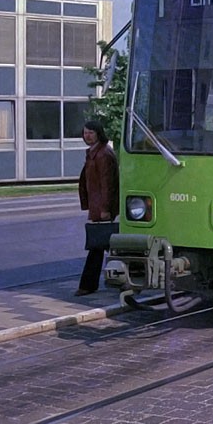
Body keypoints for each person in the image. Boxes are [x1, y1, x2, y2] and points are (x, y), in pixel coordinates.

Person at [76, 120, 119, 296]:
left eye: (91, 133)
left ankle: (88, 285)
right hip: (97, 206)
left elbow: (107, 184)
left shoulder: (103, 154)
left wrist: (105, 208)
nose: (87, 136)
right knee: (105, 244)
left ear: (99, 133)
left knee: (97, 246)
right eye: (85, 132)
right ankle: (117, 279)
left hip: (102, 208)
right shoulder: (95, 153)